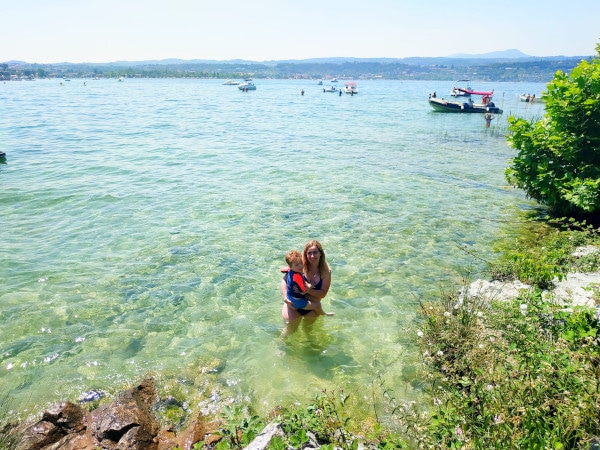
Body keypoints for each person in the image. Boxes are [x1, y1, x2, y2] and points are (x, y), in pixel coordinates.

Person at [281, 240, 333, 335]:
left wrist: (308, 290)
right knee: (289, 332)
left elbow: (323, 294)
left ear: (320, 253)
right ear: (305, 254)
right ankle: (279, 348)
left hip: (311, 309)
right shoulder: (299, 264)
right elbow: (284, 280)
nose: (312, 256)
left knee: (307, 333)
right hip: (293, 305)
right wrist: (285, 297)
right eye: (309, 253)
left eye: (315, 252)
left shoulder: (326, 271)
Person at [283, 250, 331, 316]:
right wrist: (309, 285)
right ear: (290, 266)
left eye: (301, 263)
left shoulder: (291, 270)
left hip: (290, 297)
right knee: (317, 305)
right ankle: (324, 314)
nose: (300, 266)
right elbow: (303, 290)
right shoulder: (297, 276)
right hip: (297, 301)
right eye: (297, 265)